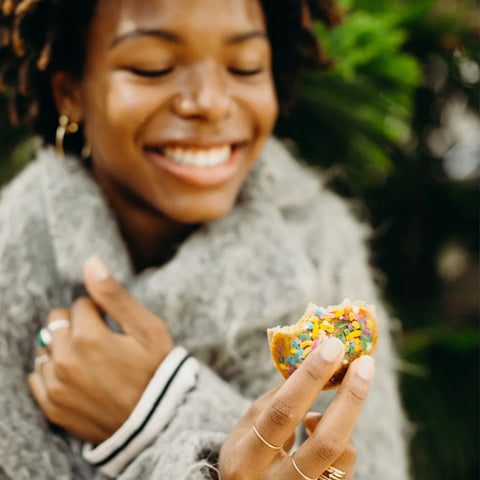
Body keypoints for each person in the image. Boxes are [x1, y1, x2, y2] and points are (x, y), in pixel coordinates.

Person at [0, 0, 410, 478]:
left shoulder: (318, 242)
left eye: (245, 66)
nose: (211, 101)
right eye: (152, 68)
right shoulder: (11, 268)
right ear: (70, 92)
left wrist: (159, 411)